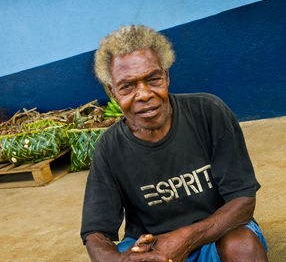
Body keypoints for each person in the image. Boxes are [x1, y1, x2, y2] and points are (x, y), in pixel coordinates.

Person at [81, 25, 268, 262]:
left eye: (153, 79)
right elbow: (95, 233)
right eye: (127, 86)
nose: (143, 94)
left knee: (241, 247)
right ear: (113, 92)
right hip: (153, 246)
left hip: (216, 234)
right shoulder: (109, 148)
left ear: (166, 76)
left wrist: (184, 238)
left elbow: (243, 202)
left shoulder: (209, 113)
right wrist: (120, 260)